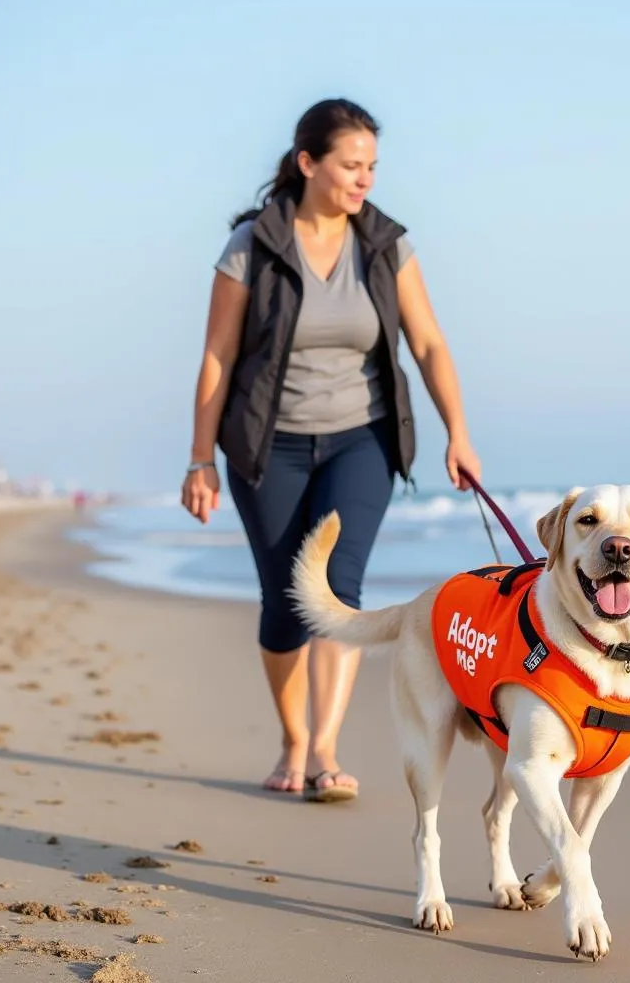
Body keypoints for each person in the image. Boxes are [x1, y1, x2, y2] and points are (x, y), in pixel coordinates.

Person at [180, 98, 482, 802]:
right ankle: (291, 739)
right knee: (285, 604)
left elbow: (430, 343)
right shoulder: (253, 245)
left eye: (372, 166)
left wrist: (457, 432)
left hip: (362, 440)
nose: (364, 179)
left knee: (338, 589)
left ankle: (324, 750)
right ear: (308, 162)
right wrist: (200, 459)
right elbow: (218, 357)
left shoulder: (384, 244)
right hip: (267, 445)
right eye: (351, 164)